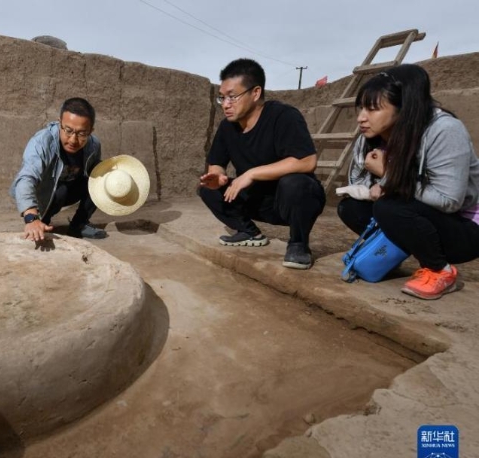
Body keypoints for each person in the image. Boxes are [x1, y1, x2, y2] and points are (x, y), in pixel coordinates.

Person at [337, 64, 479, 299]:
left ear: (403, 108)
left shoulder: (444, 130)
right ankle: (398, 254)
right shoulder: (377, 136)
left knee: (389, 207)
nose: (361, 118)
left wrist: (389, 176)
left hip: (464, 228)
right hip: (424, 214)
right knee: (350, 208)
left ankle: (439, 270)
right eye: (361, 108)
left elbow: (450, 201)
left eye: (372, 109)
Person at [199, 58, 326, 269]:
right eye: (222, 98)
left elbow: (306, 161)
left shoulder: (284, 116)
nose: (226, 105)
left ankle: (298, 243)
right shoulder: (227, 127)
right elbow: (216, 163)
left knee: (296, 183)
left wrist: (251, 174)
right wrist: (217, 177)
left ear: (255, 93)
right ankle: (249, 232)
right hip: (257, 200)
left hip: (290, 201)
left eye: (232, 97)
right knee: (208, 189)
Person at [11, 97, 107, 241]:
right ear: (59, 122)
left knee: (101, 178)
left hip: (71, 188)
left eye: (82, 134)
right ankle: (42, 222)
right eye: (68, 130)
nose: (73, 140)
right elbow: (25, 179)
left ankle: (78, 225)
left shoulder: (93, 145)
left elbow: (94, 172)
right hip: (45, 192)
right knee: (61, 191)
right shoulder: (42, 142)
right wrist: (31, 217)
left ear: (90, 131)